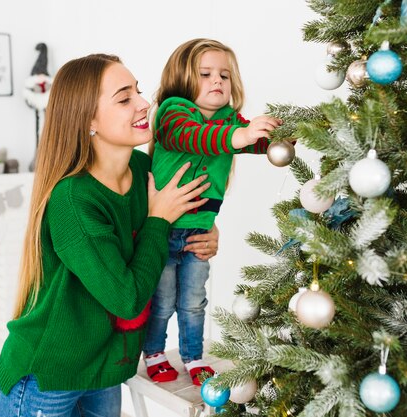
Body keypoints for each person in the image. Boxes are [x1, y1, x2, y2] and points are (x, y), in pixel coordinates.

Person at [0, 53, 220, 417]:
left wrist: (208, 233)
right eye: (124, 97)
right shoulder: (73, 198)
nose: (144, 104)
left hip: (106, 368)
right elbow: (126, 298)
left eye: (138, 91)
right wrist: (160, 219)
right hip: (48, 378)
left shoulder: (145, 169)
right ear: (88, 120)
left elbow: (188, 211)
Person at [143, 38, 282, 385]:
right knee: (161, 302)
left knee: (193, 302)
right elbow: (196, 138)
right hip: (160, 231)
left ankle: (193, 357)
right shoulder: (172, 112)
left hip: (200, 232)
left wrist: (279, 139)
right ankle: (155, 353)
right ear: (183, 79)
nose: (217, 81)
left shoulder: (229, 120)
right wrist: (240, 135)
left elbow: (251, 139)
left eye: (224, 75)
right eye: (205, 74)